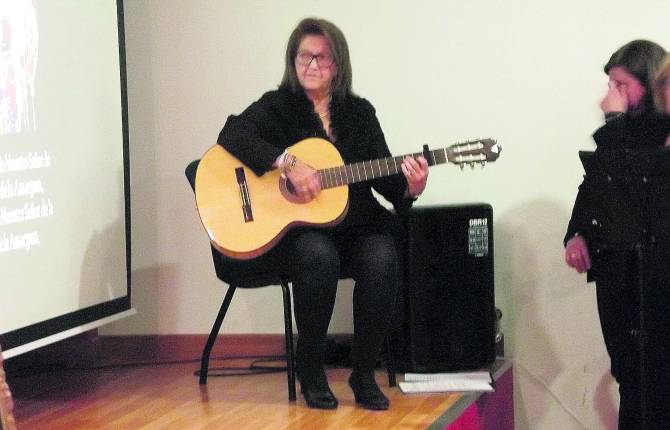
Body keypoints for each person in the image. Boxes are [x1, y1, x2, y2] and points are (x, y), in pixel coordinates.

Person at [217, 18, 428, 410]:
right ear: (292, 61)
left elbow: (384, 178)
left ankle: (363, 373)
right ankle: (310, 368)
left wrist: (410, 188)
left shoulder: (360, 113)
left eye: (322, 57)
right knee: (317, 253)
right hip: (295, 238)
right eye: (304, 56)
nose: (312, 65)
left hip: (352, 227)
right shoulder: (277, 106)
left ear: (338, 64)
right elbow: (232, 134)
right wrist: (286, 162)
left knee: (382, 254)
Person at [564, 40, 670, 429]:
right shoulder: (623, 134)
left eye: (622, 85)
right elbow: (592, 189)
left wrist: (613, 126)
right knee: (629, 378)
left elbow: (633, 194)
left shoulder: (659, 134)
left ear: (649, 84)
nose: (612, 95)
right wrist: (575, 234)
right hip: (617, 274)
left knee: (653, 384)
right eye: (611, 84)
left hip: (654, 276)